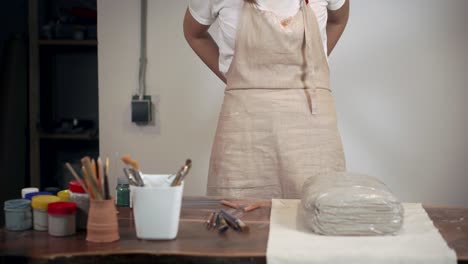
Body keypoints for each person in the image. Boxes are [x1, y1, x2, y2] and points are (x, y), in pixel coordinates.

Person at [184, 0, 349, 199]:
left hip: (313, 124)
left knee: (317, 211)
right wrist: (235, 78)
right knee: (239, 215)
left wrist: (314, 65)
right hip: (244, 130)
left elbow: (338, 21)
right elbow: (194, 33)